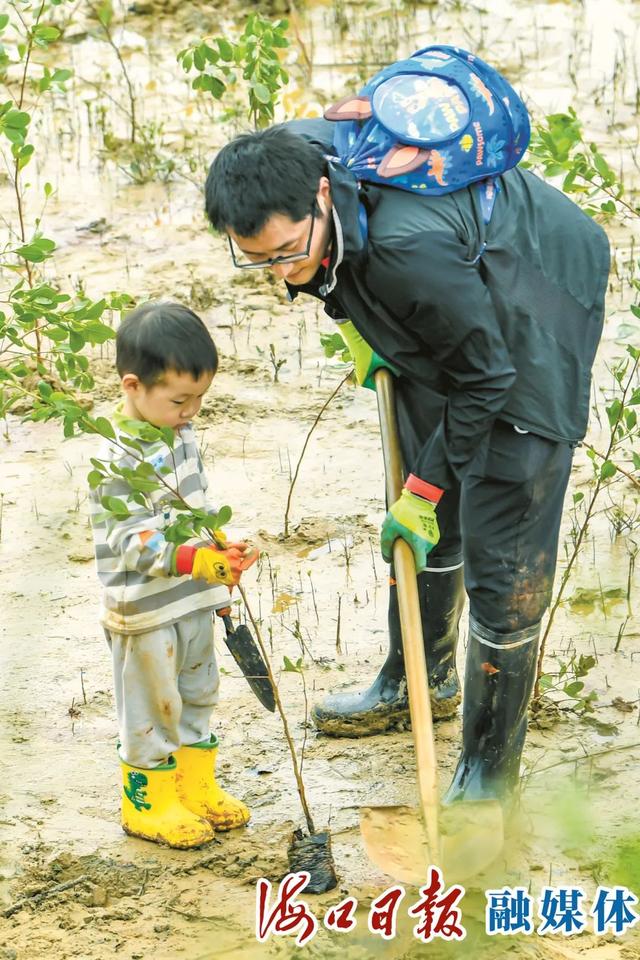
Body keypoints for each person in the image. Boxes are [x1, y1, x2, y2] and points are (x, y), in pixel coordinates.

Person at [203, 114, 609, 807]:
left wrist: (421, 488)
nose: (278, 272)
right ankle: (419, 677)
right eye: (258, 259)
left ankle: (487, 779)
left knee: (504, 544)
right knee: (429, 491)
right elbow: (335, 270)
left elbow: (489, 376)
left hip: (530, 299)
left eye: (285, 253)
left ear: (323, 200)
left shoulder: (403, 253)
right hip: (453, 293)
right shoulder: (296, 167)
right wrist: (360, 328)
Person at [89, 301, 258, 848]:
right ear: (133, 385)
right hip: (145, 612)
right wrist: (190, 560)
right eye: (180, 400)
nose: (192, 411)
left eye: (200, 399)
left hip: (191, 600)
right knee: (152, 704)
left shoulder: (177, 434)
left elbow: (194, 509)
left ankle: (193, 782)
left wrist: (218, 554)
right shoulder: (117, 457)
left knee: (197, 691)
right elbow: (130, 540)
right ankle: (149, 801)